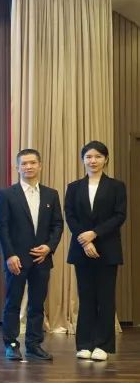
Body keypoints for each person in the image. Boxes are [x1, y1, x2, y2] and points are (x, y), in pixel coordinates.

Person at [0, 148, 63, 361]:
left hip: (42, 259)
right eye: (24, 164)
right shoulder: (7, 194)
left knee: (37, 304)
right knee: (13, 303)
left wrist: (49, 247)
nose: (28, 167)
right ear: (17, 167)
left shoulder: (51, 194)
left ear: (40, 165)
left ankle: (34, 344)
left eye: (32, 163)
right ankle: (11, 344)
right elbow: (2, 227)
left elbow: (57, 225)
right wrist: (9, 255)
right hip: (16, 259)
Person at [64, 141, 127, 361]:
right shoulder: (74, 187)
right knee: (86, 297)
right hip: (82, 249)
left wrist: (95, 234)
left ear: (105, 159)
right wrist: (85, 240)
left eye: (98, 156)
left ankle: (104, 345)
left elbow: (119, 215)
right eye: (89, 156)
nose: (93, 160)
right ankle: (84, 344)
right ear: (83, 159)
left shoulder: (116, 186)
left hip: (108, 248)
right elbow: (70, 215)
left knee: (105, 297)